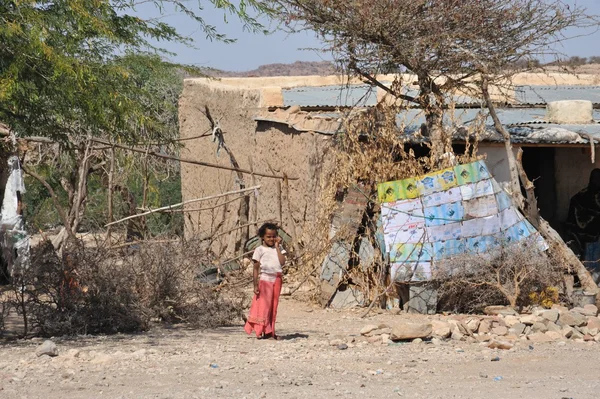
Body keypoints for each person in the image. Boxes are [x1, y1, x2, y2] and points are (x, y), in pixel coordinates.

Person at [244, 223, 286, 340]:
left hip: (277, 280)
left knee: (273, 307)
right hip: (265, 281)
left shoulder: (279, 248)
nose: (271, 239)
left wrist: (278, 247)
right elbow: (256, 269)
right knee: (264, 307)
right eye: (268, 236)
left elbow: (282, 262)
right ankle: (264, 331)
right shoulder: (259, 250)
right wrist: (255, 284)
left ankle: (271, 331)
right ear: (262, 237)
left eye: (273, 236)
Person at [565, 169, 600, 257]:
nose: (596, 181)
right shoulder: (581, 196)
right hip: (588, 237)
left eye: (597, 179)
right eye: (594, 179)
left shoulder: (583, 194)